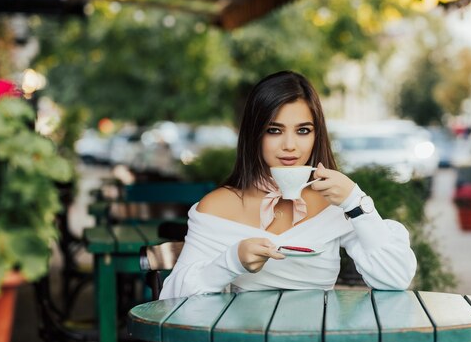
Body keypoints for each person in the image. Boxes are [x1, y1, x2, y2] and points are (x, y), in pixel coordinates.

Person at [159, 71, 417, 298]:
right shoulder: (218, 206)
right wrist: (231, 261)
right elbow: (170, 298)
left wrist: (355, 201)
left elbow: (395, 279)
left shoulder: (334, 203)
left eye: (303, 130)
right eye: (274, 130)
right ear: (254, 135)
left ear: (317, 136)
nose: (290, 145)